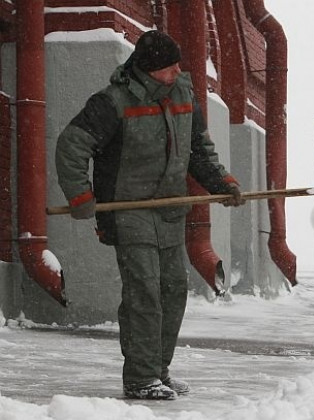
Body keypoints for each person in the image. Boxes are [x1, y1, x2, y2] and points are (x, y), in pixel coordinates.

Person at [55, 30, 245, 400]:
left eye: (177, 65)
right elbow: (72, 144)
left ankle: (159, 371)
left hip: (169, 210)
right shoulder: (112, 102)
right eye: (169, 67)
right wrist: (81, 196)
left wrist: (222, 183)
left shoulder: (184, 96)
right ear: (148, 68)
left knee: (173, 292)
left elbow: (198, 149)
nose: (177, 71)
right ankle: (140, 378)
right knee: (145, 293)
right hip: (129, 212)